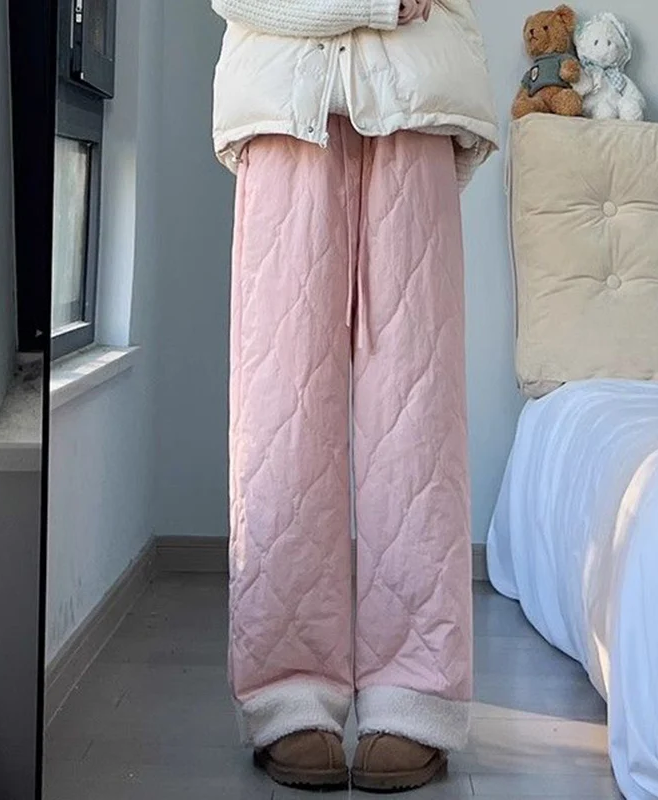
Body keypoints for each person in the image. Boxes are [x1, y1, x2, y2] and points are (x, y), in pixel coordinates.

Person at [209, 0, 498, 791]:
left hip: (414, 102)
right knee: (282, 412)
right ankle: (288, 693)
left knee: (416, 415)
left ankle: (415, 695)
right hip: (284, 110)